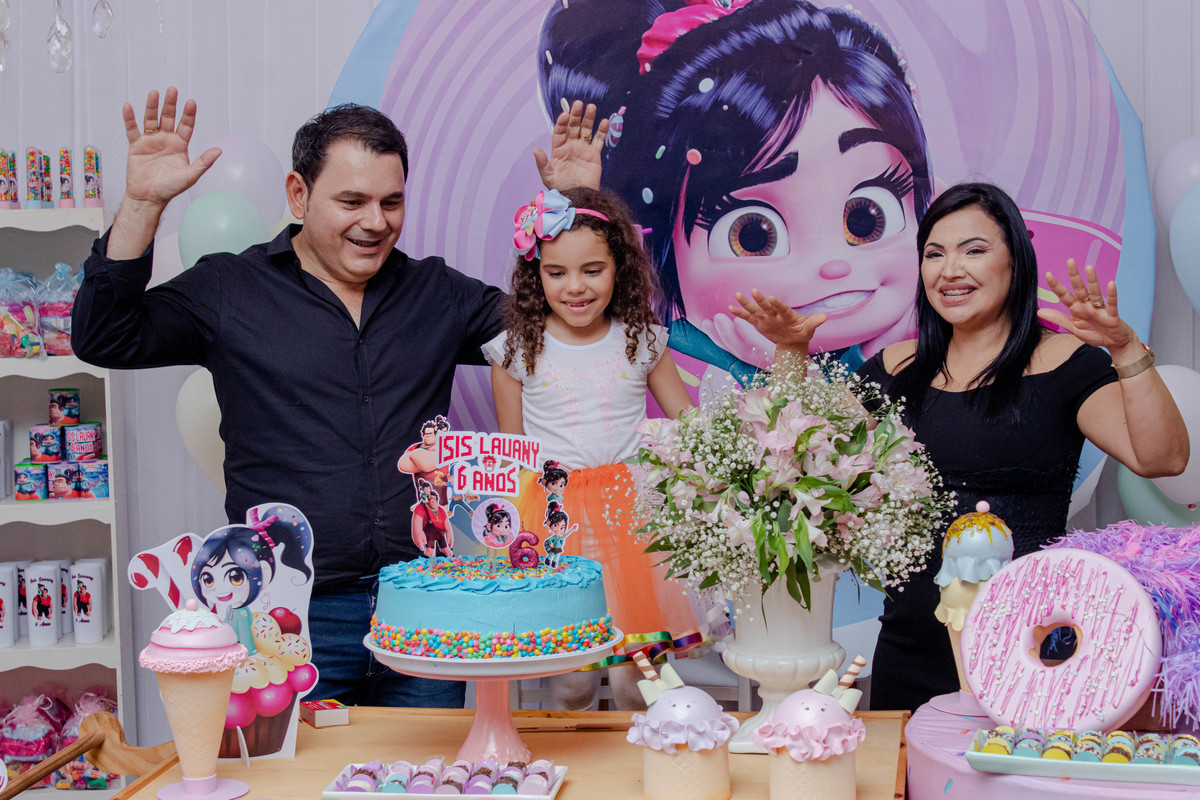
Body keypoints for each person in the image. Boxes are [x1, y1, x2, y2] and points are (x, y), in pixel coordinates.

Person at [71, 86, 608, 707]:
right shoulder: (230, 288)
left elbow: (563, 330)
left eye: (391, 202)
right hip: (288, 618)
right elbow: (104, 336)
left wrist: (576, 207)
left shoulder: (437, 292)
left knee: (426, 765)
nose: (375, 222)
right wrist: (142, 204)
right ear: (298, 195)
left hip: (425, 603)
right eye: (352, 201)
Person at [733, 181, 1189, 711]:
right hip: (909, 648)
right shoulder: (896, 367)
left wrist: (1125, 349)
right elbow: (795, 457)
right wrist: (792, 351)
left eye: (974, 250)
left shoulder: (1066, 361)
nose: (950, 270)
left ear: (1015, 261)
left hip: (1030, 649)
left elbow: (1162, 458)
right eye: (934, 254)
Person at [487, 185, 794, 710]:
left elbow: (691, 427)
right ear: (536, 274)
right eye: (556, 272)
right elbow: (513, 455)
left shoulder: (644, 341)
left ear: (619, 269)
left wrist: (757, 433)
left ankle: (640, 757)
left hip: (631, 514)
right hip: (554, 519)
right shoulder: (515, 351)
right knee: (572, 681)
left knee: (637, 679)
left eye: (592, 270)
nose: (575, 287)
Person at [537, 0, 933, 382]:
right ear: (657, 253)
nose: (833, 266)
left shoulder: (926, 342)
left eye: (865, 218)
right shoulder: (665, 354)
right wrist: (579, 203)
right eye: (753, 235)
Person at [190, 511, 313, 656]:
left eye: (235, 577)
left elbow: (247, 645)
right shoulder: (229, 609)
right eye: (208, 579)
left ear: (264, 573)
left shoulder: (241, 613)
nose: (221, 588)